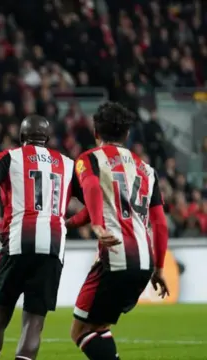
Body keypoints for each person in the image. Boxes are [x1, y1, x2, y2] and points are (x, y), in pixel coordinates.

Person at [0, 115, 83, 360]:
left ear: (21, 138)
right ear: (48, 139)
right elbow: (95, 204)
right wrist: (71, 223)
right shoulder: (67, 163)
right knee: (33, 322)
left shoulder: (12, 156)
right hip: (52, 245)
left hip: (19, 240)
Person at [66, 102, 170, 360]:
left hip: (115, 256)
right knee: (100, 327)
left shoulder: (89, 159)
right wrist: (159, 268)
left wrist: (99, 226)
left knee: (79, 330)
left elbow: (90, 187)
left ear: (95, 132)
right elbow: (159, 223)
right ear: (127, 134)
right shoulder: (147, 170)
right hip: (145, 261)